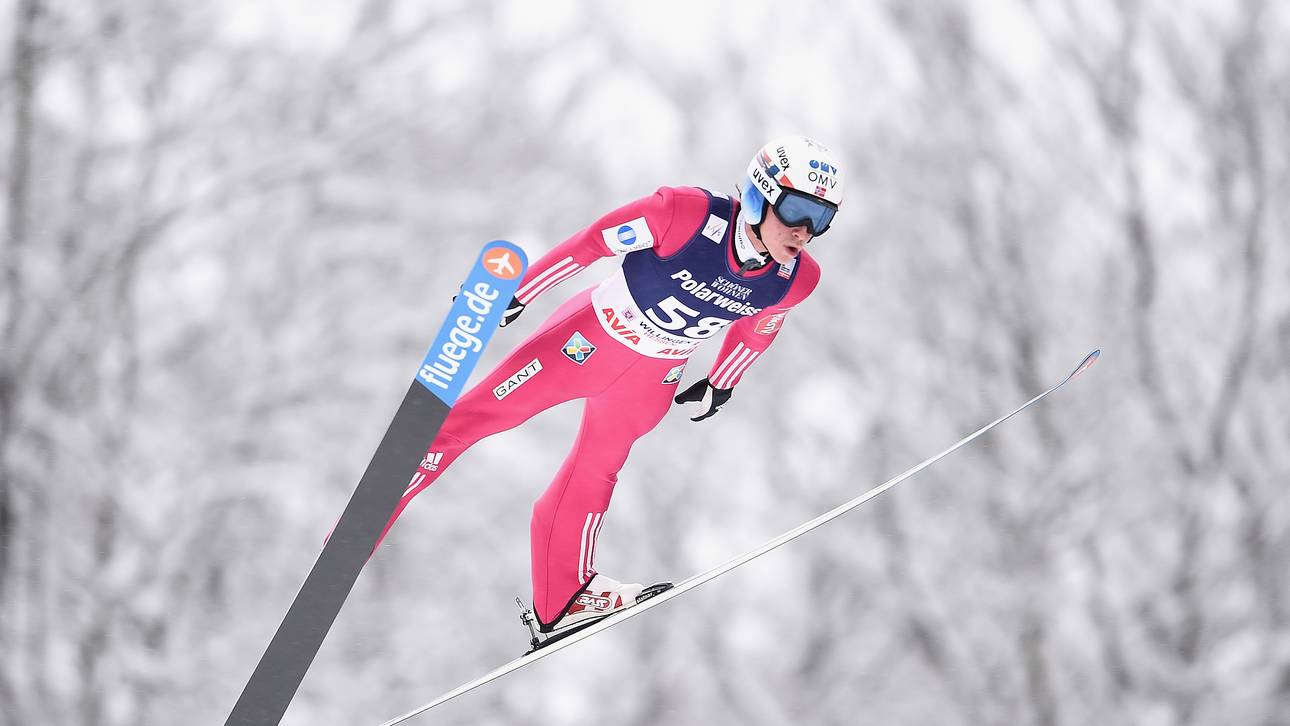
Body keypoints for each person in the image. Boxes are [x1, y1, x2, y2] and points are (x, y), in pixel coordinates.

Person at [376, 136, 845, 634]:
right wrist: (520, 293)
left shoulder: (796, 278)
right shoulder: (683, 215)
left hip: (652, 380)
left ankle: (563, 598)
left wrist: (721, 381)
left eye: (821, 219)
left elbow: (759, 326)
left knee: (594, 473)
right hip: (585, 342)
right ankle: (374, 509)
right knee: (480, 416)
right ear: (758, 195)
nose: (804, 231)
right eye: (796, 210)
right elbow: (592, 243)